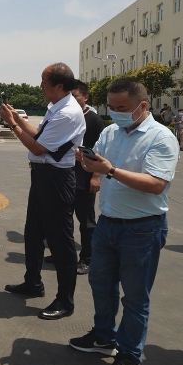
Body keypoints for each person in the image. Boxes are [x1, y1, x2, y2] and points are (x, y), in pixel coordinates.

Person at [70, 77, 178, 365]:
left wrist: (111, 170)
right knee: (101, 284)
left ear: (142, 106)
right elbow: (97, 164)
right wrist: (88, 163)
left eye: (122, 108)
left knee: (135, 296)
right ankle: (104, 335)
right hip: (108, 222)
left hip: (142, 227)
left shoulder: (160, 137)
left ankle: (130, 355)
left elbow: (156, 184)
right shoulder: (110, 132)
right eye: (111, 107)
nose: (115, 113)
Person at [0, 64, 85, 321]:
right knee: (33, 233)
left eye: (44, 81)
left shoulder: (68, 113)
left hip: (56, 179)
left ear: (59, 86)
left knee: (60, 241)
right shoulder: (56, 107)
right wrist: (19, 120)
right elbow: (40, 135)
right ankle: (33, 282)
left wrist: (12, 124)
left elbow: (38, 148)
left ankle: (65, 300)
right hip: (42, 176)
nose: (40, 86)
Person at [71, 80, 107, 276]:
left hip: (84, 178)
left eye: (75, 96)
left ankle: (87, 258)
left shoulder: (94, 120)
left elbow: (101, 151)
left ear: (85, 97)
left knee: (86, 221)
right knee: (64, 219)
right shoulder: (68, 117)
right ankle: (65, 254)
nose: (71, 99)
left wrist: (95, 176)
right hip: (66, 176)